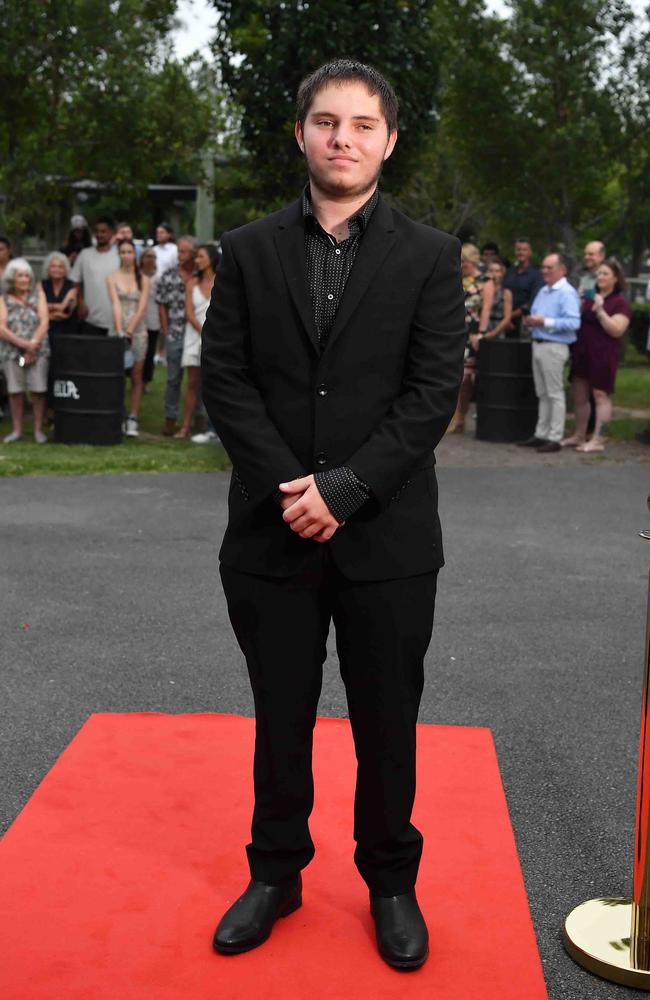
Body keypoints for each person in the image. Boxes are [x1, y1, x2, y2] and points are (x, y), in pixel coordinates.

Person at [202, 59, 465, 970]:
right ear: (302, 135)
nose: (341, 138)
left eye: (360, 124)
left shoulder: (431, 257)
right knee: (280, 716)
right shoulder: (244, 249)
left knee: (387, 721)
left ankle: (391, 880)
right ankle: (275, 872)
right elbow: (227, 383)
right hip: (269, 532)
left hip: (387, 540)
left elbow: (431, 395)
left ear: (389, 140)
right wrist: (293, 491)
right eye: (325, 121)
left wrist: (346, 491)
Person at [562, 258, 630, 453]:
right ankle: (579, 434)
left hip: (603, 355)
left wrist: (600, 310)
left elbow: (617, 330)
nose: (600, 277)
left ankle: (599, 438)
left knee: (600, 396)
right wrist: (578, 301)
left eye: (605, 274)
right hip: (583, 352)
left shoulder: (619, 303)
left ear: (615, 279)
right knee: (579, 395)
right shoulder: (591, 297)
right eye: (598, 273)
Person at [518, 252, 581, 452]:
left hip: (554, 346)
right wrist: (531, 321)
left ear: (562, 270)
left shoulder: (566, 292)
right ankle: (541, 433)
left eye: (549, 267)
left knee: (554, 393)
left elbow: (573, 322)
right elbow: (536, 314)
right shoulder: (544, 290)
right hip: (538, 343)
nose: (544, 271)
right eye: (543, 267)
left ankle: (555, 436)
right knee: (542, 393)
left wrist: (544, 321)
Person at [0, 258, 50, 443]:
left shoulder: (39, 296)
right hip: (13, 353)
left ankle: (38, 430)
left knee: (37, 390)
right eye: (20, 275)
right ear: (12, 278)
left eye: (27, 275)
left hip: (37, 352)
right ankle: (17, 430)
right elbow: (2, 328)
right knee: (15, 390)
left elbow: (44, 321)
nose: (24, 279)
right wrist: (22, 344)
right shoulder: (3, 300)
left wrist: (32, 345)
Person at [447, 242, 493, 434]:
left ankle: (460, 416)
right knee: (452, 376)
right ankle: (453, 417)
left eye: (464, 260)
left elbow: (486, 309)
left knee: (465, 377)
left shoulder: (485, 281)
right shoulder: (456, 278)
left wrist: (481, 333)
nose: (461, 264)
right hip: (453, 330)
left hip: (472, 333)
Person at [175, 244, 219, 439]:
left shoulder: (222, 280)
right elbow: (189, 312)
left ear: (211, 258)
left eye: (201, 256)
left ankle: (214, 429)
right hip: (195, 336)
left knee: (215, 384)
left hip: (217, 338)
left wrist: (212, 335)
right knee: (192, 383)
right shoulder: (191, 283)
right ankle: (185, 426)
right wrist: (203, 332)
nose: (197, 260)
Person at [107, 239, 149, 437]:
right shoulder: (111, 277)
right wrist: (120, 331)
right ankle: (117, 413)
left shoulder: (143, 278)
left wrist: (130, 331)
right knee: (117, 376)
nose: (126, 255)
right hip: (118, 330)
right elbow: (115, 304)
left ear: (135, 254)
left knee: (136, 375)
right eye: (122, 252)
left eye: (129, 252)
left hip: (138, 331)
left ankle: (133, 416)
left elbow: (141, 308)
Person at [156, 235, 197, 436]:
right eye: (178, 251)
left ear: (193, 253)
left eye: (184, 251)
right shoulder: (168, 275)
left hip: (196, 333)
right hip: (176, 331)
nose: (179, 255)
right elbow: (161, 304)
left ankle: (198, 418)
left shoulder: (200, 275)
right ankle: (170, 418)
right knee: (173, 379)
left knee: (197, 380)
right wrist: (165, 329)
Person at [71, 217, 119, 335]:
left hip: (116, 319)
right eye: (97, 231)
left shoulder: (119, 255)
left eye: (103, 231)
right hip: (90, 318)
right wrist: (80, 303)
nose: (99, 234)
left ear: (112, 233)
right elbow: (75, 281)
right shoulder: (85, 254)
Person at [503, 239, 543, 337]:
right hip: (504, 320)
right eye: (518, 249)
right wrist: (505, 318)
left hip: (524, 321)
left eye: (524, 250)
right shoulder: (509, 271)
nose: (521, 252)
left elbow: (532, 301)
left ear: (530, 252)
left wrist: (508, 316)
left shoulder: (537, 274)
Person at [40, 251, 78, 337]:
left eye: (60, 267)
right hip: (45, 331)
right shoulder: (40, 285)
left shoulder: (72, 286)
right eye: (53, 266)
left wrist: (46, 310)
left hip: (68, 331)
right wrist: (57, 308)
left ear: (65, 269)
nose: (57, 269)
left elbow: (65, 311)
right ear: (48, 269)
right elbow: (36, 308)